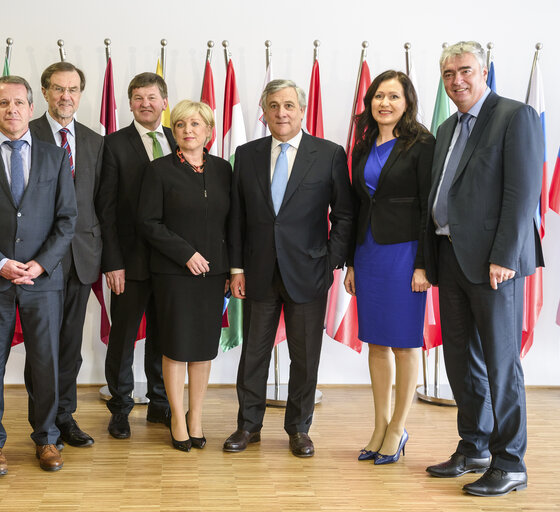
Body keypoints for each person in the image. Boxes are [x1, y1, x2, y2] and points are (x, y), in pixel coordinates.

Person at [423, 41, 543, 497]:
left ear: (485, 69)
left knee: (500, 363)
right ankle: (473, 447)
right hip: (450, 258)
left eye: (466, 70)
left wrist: (504, 257)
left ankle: (510, 462)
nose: (457, 80)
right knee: (461, 361)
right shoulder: (448, 126)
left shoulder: (515, 116)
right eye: (449, 73)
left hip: (495, 264)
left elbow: (522, 194)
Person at [225, 79, 355, 457]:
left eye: (288, 105)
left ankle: (298, 429)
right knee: (254, 355)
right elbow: (237, 217)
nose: (281, 112)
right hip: (258, 271)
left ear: (301, 110)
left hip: (308, 272)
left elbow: (344, 215)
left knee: (305, 357)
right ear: (263, 113)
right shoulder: (246, 155)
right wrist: (236, 268)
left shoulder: (329, 154)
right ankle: (248, 425)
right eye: (273, 106)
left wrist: (330, 260)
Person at [0, 75, 77, 476]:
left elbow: (67, 219)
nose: (11, 110)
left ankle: (46, 439)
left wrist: (41, 264)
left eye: (19, 103)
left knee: (45, 364)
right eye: (3, 103)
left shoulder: (56, 156)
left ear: (31, 107)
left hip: (43, 281)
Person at [343, 70, 434, 465]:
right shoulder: (362, 147)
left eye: (393, 97)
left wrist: (423, 264)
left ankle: (398, 427)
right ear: (370, 102)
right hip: (369, 254)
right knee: (376, 342)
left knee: (404, 342)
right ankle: (379, 425)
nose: (385, 103)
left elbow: (430, 207)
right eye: (379, 96)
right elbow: (357, 206)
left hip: (405, 253)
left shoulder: (422, 144)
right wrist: (350, 262)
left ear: (407, 102)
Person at [138, 100, 231, 451]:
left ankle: (196, 416)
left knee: (203, 350)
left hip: (213, 274)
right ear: (173, 131)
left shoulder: (224, 170)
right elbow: (148, 222)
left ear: (209, 130)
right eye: (180, 125)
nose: (188, 130)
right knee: (176, 347)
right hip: (173, 273)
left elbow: (231, 223)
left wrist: (229, 267)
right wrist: (185, 254)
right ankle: (177, 417)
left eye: (195, 124)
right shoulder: (158, 170)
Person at [26, 61, 103, 450]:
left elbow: (100, 205)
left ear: (80, 94)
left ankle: (65, 416)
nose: (66, 96)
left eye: (73, 89)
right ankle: (42, 424)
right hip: (39, 259)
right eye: (58, 89)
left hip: (82, 258)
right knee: (41, 346)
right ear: (44, 93)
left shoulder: (93, 141)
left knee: (69, 346)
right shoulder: (28, 133)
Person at [96, 72, 175, 438]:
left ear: (164, 102)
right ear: (129, 103)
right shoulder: (113, 144)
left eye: (152, 97)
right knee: (124, 337)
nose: (146, 103)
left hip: (172, 263)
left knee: (165, 336)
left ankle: (160, 404)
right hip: (128, 262)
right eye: (138, 98)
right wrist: (112, 261)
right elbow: (105, 209)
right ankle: (121, 406)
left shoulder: (182, 138)